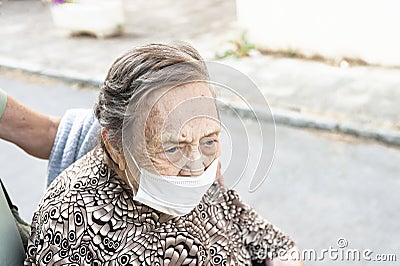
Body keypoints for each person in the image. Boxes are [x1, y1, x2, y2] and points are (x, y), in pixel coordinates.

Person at [24, 43, 303, 265]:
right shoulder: (70, 225)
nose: (196, 167)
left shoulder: (203, 175)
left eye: (209, 141)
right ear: (115, 146)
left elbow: (273, 242)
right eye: (172, 148)